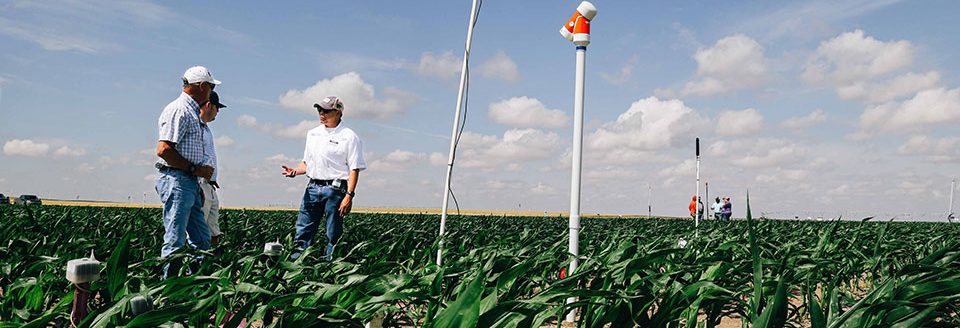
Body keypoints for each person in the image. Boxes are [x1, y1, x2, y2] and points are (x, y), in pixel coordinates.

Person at [282, 96, 366, 261]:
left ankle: (330, 268)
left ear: (338, 112)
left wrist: (349, 195)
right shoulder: (313, 134)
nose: (321, 114)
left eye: (326, 111)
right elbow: (307, 163)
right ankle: (296, 266)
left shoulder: (349, 136)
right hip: (312, 188)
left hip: (336, 190)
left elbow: (354, 168)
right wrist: (295, 171)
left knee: (333, 234)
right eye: (319, 110)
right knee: (302, 231)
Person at [155, 66, 220, 278]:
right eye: (210, 87)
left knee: (202, 240)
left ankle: (197, 286)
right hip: (177, 180)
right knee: (175, 240)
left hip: (189, 182)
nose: (211, 91)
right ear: (202, 86)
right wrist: (194, 169)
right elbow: (163, 149)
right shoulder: (180, 110)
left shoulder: (192, 112)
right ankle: (167, 291)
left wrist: (195, 178)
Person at [199, 91, 227, 249]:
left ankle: (212, 265)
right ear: (209, 106)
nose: (218, 112)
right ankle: (196, 267)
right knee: (200, 229)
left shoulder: (206, 129)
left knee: (213, 229)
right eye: (218, 108)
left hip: (210, 185)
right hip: (200, 183)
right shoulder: (196, 126)